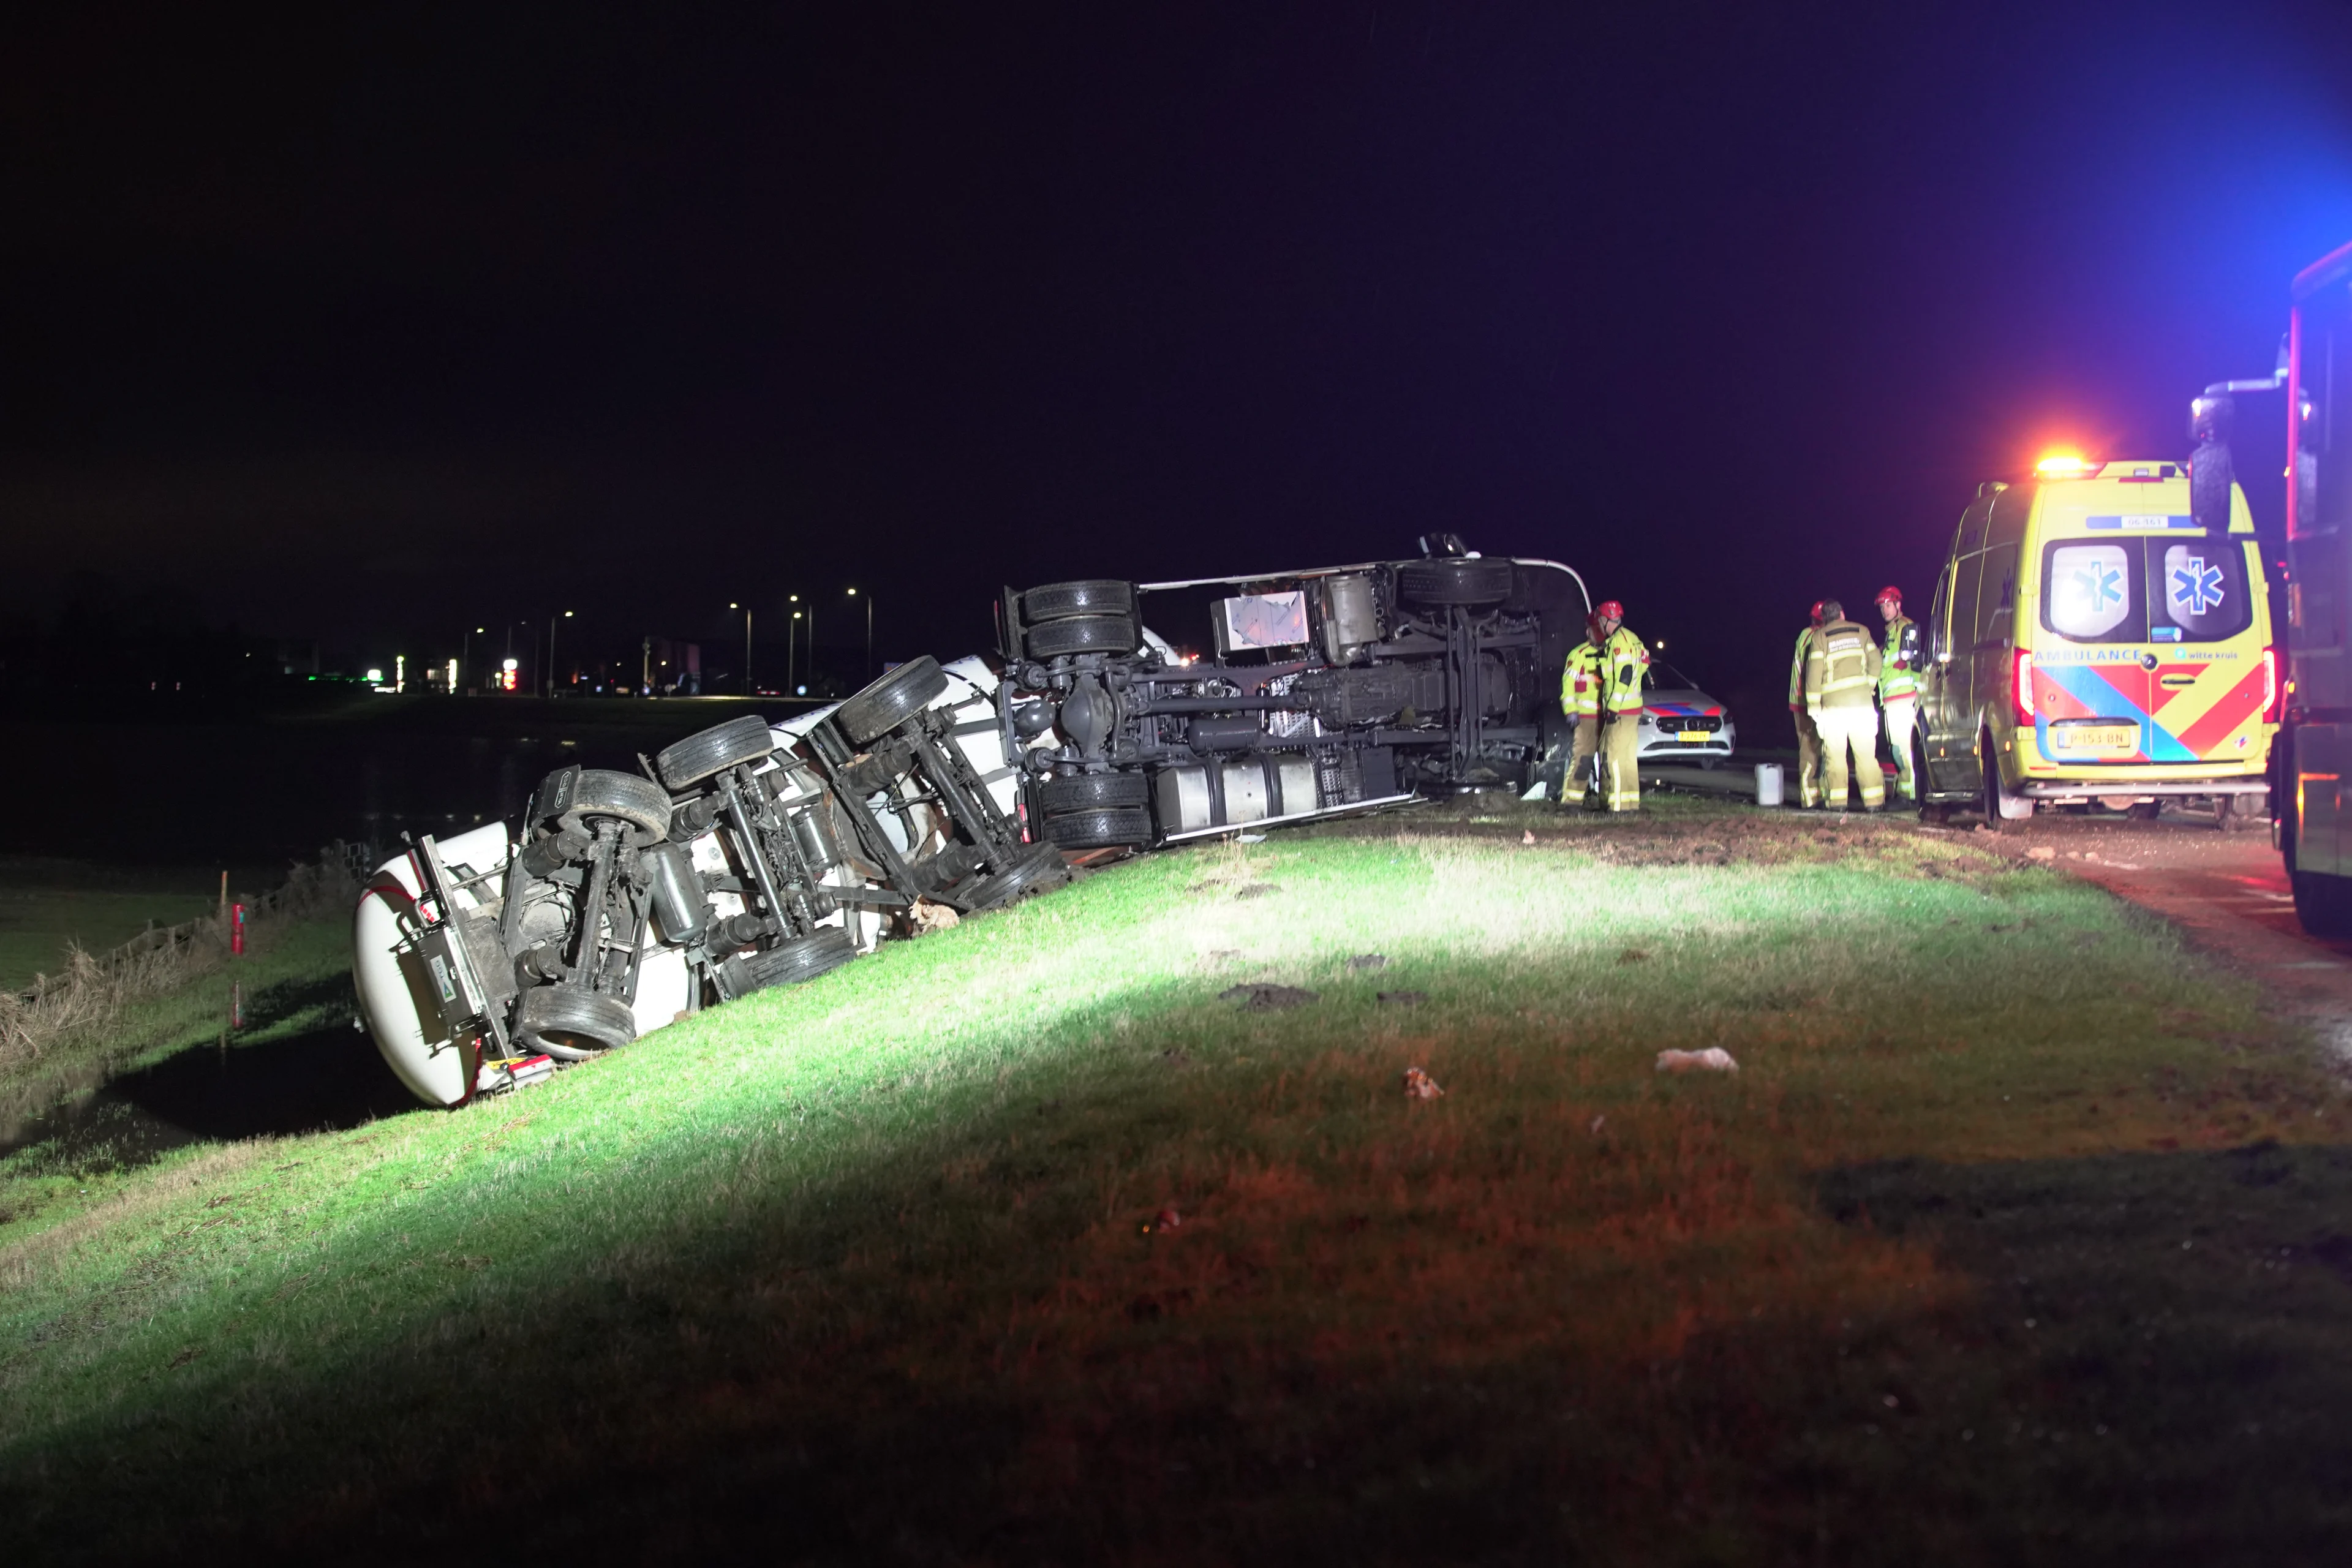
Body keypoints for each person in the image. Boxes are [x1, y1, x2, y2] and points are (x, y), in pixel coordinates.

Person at [1804, 598, 1884, 810]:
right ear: (1842, 614)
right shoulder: (1862, 631)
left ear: (1824, 619)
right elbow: (1877, 661)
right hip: (1862, 706)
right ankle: (1874, 803)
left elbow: (1813, 676)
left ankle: (1838, 804)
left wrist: (1814, 709)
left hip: (1834, 710)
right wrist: (1868, 685)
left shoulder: (1820, 637)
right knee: (1867, 756)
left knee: (1836, 758)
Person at [1590, 600, 1651, 812]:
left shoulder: (1617, 642)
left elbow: (1624, 675)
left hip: (1621, 710)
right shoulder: (1633, 638)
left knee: (1614, 757)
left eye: (1600, 619)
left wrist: (1613, 708)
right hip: (1634, 708)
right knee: (1627, 758)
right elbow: (1643, 665)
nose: (1598, 623)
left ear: (1607, 619)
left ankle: (1617, 807)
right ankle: (1630, 804)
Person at [1874, 585, 1923, 803]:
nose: (1885, 610)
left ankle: (1909, 794)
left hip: (1904, 699)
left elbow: (1915, 663)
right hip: (1892, 701)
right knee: (1898, 749)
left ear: (1898, 605)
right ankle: (1905, 791)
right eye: (1882, 607)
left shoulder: (1905, 628)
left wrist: (1919, 695)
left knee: (1904, 749)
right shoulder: (1891, 634)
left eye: (1888, 605)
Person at [1558, 613, 1606, 805]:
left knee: (1609, 763)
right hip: (1586, 718)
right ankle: (1572, 803)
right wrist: (1571, 711)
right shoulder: (1578, 654)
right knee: (1583, 760)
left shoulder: (1610, 652)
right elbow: (1567, 685)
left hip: (1607, 716)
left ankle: (1607, 801)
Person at [1787, 601, 1827, 809]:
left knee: (1813, 750)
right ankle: (1809, 801)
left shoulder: (1805, 635)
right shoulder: (1814, 637)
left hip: (1801, 702)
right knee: (1810, 751)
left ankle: (1814, 796)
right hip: (1806, 704)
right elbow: (1812, 671)